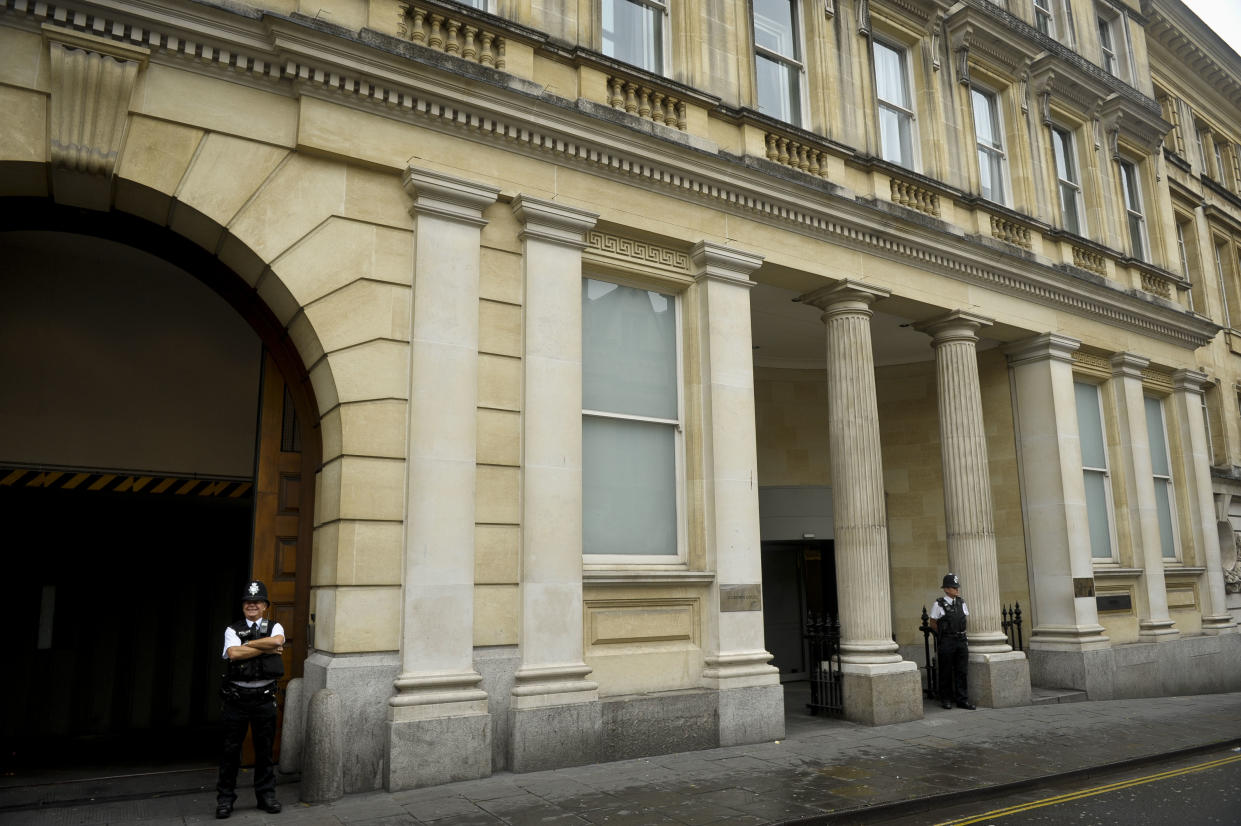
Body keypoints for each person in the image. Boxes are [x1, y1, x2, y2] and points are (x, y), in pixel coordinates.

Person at [216, 580, 285, 819]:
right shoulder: (232, 629)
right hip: (237, 699)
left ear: (265, 605)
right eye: (248, 601)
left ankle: (266, 796)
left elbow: (277, 642)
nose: (252, 605)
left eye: (257, 601)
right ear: (243, 606)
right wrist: (262, 647)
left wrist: (250, 644)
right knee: (230, 751)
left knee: (265, 750)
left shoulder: (276, 627)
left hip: (264, 698)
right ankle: (225, 799)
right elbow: (233, 653)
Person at [928, 573, 976, 711]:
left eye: (957, 587)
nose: (957, 590)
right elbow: (933, 622)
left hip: (961, 640)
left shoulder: (961, 602)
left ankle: (962, 699)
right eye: (954, 587)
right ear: (947, 589)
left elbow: (964, 620)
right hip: (947, 641)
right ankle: (946, 699)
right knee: (946, 671)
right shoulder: (939, 604)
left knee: (962, 671)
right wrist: (944, 635)